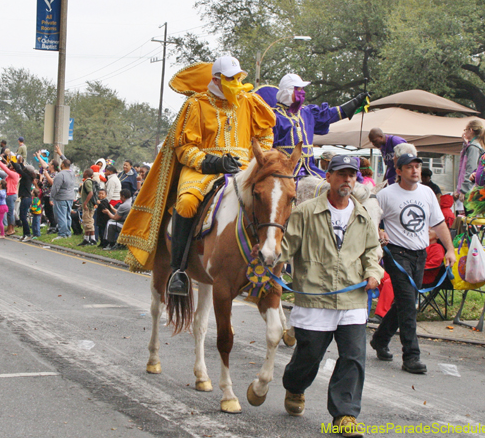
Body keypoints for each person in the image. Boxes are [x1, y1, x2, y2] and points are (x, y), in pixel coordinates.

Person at [119, 56, 274, 293]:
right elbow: (183, 147)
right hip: (202, 169)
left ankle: (270, 264)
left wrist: (256, 159)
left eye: (238, 78)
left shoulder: (250, 102)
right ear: (215, 79)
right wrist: (212, 162)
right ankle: (179, 271)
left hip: (243, 167)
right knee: (187, 203)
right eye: (230, 79)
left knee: (273, 198)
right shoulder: (196, 104)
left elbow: (265, 135)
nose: (236, 82)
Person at [279, 155, 382, 436]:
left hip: (352, 298)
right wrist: (268, 257)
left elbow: (372, 251)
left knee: (353, 357)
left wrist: (374, 272)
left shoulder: (362, 215)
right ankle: (295, 385)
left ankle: (345, 415)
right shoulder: (305, 212)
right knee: (309, 355)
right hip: (315, 297)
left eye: (352, 174)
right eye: (341, 174)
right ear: (329, 177)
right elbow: (286, 246)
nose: (347, 179)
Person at [371, 153, 456, 374]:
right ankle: (411, 356)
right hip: (397, 254)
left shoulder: (427, 193)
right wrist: (379, 232)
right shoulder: (386, 195)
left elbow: (438, 223)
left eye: (417, 166)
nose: (415, 171)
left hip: (421, 253)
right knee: (409, 304)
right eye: (409, 167)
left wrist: (450, 249)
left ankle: (380, 339)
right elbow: (372, 222)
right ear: (398, 171)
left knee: (403, 302)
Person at [255, 74, 368, 178]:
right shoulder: (273, 116)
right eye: (298, 89)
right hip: (283, 173)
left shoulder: (308, 112)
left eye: (303, 89)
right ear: (287, 92)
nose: (302, 93)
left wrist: (355, 102)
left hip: (311, 170)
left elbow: (329, 115)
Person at [455, 120, 485, 206]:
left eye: (465, 130)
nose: (464, 132)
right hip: (472, 188)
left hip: (470, 189)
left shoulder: (473, 148)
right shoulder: (474, 146)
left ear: (471, 130)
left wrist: (464, 190)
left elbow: (470, 169)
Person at [0, 156, 19, 237]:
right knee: (8, 212)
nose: (10, 167)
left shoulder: (14, 174)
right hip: (9, 194)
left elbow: (5, 169)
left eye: (11, 166)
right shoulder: (10, 175)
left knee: (10, 212)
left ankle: (11, 228)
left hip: (11, 194)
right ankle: (9, 227)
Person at [50, 157, 76, 240]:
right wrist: (61, 155)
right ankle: (68, 232)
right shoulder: (72, 173)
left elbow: (55, 188)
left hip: (61, 198)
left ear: (63, 164)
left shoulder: (60, 175)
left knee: (61, 216)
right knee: (67, 216)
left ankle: (62, 234)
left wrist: (51, 197)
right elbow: (69, 164)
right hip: (70, 197)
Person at [78, 168, 96, 246]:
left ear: (86, 173)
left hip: (88, 206)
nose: (83, 173)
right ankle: (86, 239)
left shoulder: (87, 182)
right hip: (88, 205)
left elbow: (91, 193)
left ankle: (92, 239)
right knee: (86, 222)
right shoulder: (87, 181)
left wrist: (85, 203)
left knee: (88, 222)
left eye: (84, 172)